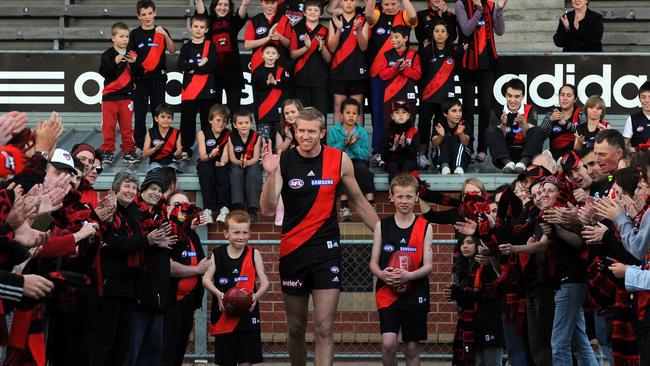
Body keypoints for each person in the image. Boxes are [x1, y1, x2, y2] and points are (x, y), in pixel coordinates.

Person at [260, 107, 379, 366]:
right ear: (294, 130)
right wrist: (270, 175)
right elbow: (268, 209)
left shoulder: (339, 160)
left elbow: (358, 202)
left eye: (311, 131)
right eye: (300, 130)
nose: (305, 136)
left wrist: (385, 235)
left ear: (322, 133)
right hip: (293, 253)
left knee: (324, 329)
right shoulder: (283, 161)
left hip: (326, 253)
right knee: (295, 328)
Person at [91, 170, 175, 366]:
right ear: (116, 188)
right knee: (105, 342)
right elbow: (113, 243)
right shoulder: (109, 209)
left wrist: (154, 243)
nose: (130, 190)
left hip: (130, 287)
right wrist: (148, 240)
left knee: (122, 344)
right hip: (110, 286)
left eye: (133, 187)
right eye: (126, 186)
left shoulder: (135, 214)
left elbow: (140, 244)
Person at [369, 174, 433, 366]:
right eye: (399, 196)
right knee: (388, 343)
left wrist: (408, 276)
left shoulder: (425, 226)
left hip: (415, 291)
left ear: (416, 198)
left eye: (408, 196)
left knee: (411, 347)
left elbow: (428, 265)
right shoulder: (382, 225)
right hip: (388, 292)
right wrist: (382, 274)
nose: (404, 201)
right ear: (391, 197)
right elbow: (373, 263)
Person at [203, 210, 269, 366]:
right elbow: (206, 280)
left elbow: (265, 282)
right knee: (226, 361)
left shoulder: (254, 254)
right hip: (225, 313)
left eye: (245, 232)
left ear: (250, 233)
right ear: (226, 234)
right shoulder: (217, 254)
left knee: (246, 361)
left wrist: (255, 296)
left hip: (248, 313)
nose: (241, 236)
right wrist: (220, 294)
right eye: (236, 232)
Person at [125, 169, 175, 366]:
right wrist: (151, 242)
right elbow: (130, 246)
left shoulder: (162, 216)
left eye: (159, 190)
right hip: (139, 293)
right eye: (152, 188)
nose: (156, 193)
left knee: (154, 348)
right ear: (143, 189)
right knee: (133, 348)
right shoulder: (133, 213)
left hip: (158, 293)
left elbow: (170, 244)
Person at [161, 191, 210, 366]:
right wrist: (196, 269)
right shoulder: (166, 231)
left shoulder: (191, 233)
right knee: (167, 353)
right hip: (170, 304)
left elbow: (202, 262)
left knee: (178, 353)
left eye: (186, 206)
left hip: (188, 304)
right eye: (177, 205)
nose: (182, 209)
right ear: (167, 209)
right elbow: (168, 266)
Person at [456, 0, 507, 162]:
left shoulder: (491, 5)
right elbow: (466, 29)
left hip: (487, 63)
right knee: (469, 108)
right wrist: (478, 10)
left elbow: (500, 31)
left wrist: (498, 10)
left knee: (486, 107)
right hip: (468, 63)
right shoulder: (461, 3)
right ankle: (468, 147)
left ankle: (482, 149)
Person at [365, 0, 417, 156]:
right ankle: (378, 150)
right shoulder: (377, 14)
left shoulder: (404, 14)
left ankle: (405, 149)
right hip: (378, 73)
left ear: (399, 4)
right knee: (379, 113)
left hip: (399, 75)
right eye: (386, 4)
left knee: (401, 113)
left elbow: (414, 17)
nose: (389, 7)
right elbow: (368, 15)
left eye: (393, 4)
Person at [447, 235, 503, 365]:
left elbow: (488, 294)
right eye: (462, 243)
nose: (465, 246)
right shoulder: (464, 269)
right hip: (470, 324)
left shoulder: (487, 265)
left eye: (470, 242)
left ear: (478, 244)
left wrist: (459, 293)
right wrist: (456, 294)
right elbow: (466, 298)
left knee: (491, 362)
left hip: (489, 322)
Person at [128, 0, 176, 154]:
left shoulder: (161, 30)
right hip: (140, 80)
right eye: (144, 14)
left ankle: (158, 143)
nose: (147, 17)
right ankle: (140, 145)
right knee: (140, 113)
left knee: (159, 113)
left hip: (158, 79)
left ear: (155, 13)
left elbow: (172, 50)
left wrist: (165, 36)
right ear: (138, 16)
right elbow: (130, 57)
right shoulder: (135, 34)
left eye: (150, 13)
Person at [418, 19, 463, 168]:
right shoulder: (425, 49)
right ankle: (422, 155)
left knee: (440, 126)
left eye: (443, 31)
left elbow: (459, 71)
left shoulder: (454, 50)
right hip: (428, 95)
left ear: (448, 34)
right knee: (424, 124)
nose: (439, 34)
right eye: (436, 31)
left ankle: (439, 155)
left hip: (446, 97)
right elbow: (422, 73)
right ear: (432, 33)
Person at [195, 0, 250, 113]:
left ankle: (235, 131)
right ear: (214, 7)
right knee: (215, 112)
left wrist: (245, 3)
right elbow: (200, 7)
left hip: (233, 73)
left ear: (230, 8)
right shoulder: (208, 22)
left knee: (235, 111)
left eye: (226, 5)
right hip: (214, 74)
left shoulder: (233, 22)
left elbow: (244, 6)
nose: (222, 7)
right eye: (219, 4)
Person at [327, 98, 375, 222]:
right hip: (340, 159)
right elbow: (330, 151)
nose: (351, 116)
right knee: (340, 173)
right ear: (342, 114)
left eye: (354, 113)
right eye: (348, 113)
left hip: (357, 160)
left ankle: (370, 202)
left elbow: (364, 155)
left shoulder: (361, 132)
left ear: (358, 116)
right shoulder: (334, 130)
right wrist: (344, 143)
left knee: (364, 170)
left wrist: (353, 145)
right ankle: (344, 207)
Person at [178, 14, 218, 159]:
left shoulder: (210, 45)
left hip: (207, 90)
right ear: (190, 28)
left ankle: (208, 147)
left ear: (206, 29)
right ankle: (186, 148)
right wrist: (199, 64)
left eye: (202, 27)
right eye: (196, 27)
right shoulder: (186, 47)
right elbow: (181, 65)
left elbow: (212, 65)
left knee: (207, 121)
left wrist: (194, 69)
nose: (198, 30)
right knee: (187, 121)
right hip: (189, 91)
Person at [98, 22, 139, 165]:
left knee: (127, 127)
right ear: (113, 38)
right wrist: (114, 63)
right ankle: (108, 151)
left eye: (127, 36)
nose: (125, 39)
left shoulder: (132, 54)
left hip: (127, 97)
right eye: (121, 36)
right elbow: (104, 72)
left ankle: (129, 151)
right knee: (108, 126)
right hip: (110, 97)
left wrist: (134, 63)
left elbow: (138, 74)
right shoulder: (108, 55)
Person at [485, 78, 544, 173]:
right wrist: (503, 125)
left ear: (523, 96)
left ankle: (522, 164)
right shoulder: (497, 110)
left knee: (538, 130)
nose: (512, 100)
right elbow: (496, 139)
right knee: (490, 130)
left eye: (517, 97)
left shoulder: (531, 109)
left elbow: (531, 136)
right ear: (505, 95)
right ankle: (508, 164)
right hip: (505, 154)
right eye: (509, 96)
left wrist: (523, 124)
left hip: (525, 153)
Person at [327, 0, 369, 125]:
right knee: (338, 107)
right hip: (339, 70)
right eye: (345, 0)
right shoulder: (334, 20)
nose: (349, 3)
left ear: (356, 3)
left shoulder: (363, 20)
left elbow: (364, 47)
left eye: (352, 0)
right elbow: (332, 48)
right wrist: (339, 30)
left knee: (357, 107)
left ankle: (358, 142)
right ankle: (337, 142)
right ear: (340, 3)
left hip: (357, 70)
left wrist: (359, 30)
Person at [289, 0, 331, 113]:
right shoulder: (297, 29)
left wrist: (322, 47)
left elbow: (328, 59)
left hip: (320, 79)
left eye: (316, 10)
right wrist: (306, 48)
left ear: (321, 14)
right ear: (304, 13)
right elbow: (292, 54)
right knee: (303, 114)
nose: (313, 12)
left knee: (320, 114)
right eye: (310, 10)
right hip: (301, 78)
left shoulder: (325, 31)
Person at [377, 25, 421, 128]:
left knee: (409, 126)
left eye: (396, 37)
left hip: (408, 96)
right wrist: (395, 68)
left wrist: (405, 69)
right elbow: (383, 75)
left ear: (405, 38)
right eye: (391, 37)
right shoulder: (386, 54)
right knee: (388, 127)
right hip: (390, 96)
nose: (393, 40)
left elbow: (417, 75)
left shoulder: (414, 54)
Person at [197, 104, 232, 223]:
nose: (221, 123)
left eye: (224, 121)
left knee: (223, 172)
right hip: (206, 161)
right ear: (210, 120)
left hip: (221, 162)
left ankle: (224, 208)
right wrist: (211, 155)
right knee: (206, 172)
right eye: (218, 120)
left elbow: (225, 155)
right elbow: (202, 156)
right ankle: (208, 209)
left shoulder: (229, 133)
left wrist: (222, 162)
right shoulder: (202, 133)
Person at [227, 108, 262, 221]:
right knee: (235, 172)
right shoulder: (231, 137)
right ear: (235, 124)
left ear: (251, 123)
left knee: (253, 173)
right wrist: (240, 162)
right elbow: (232, 158)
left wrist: (247, 163)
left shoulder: (257, 136)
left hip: (252, 163)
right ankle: (238, 206)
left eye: (247, 123)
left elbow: (256, 158)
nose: (244, 125)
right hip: (237, 163)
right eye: (240, 123)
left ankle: (252, 209)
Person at [251, 43, 291, 142]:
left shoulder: (281, 70)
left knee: (279, 139)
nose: (270, 55)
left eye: (273, 53)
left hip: (279, 112)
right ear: (262, 55)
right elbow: (256, 86)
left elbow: (287, 84)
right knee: (264, 140)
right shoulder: (257, 71)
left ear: (277, 56)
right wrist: (267, 83)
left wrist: (275, 82)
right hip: (263, 112)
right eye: (267, 53)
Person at [539, 84, 586, 159]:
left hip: (573, 155)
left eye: (569, 95)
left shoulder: (581, 114)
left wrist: (566, 124)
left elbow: (584, 134)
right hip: (554, 155)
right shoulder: (551, 114)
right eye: (562, 95)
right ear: (559, 97)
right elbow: (541, 135)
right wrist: (550, 120)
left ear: (575, 99)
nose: (565, 98)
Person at [243, 0, 290, 75]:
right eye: (267, 3)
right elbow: (247, 45)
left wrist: (280, 37)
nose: (269, 6)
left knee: (278, 86)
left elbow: (290, 45)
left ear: (277, 3)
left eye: (272, 3)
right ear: (261, 3)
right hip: (258, 64)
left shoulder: (285, 19)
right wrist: (267, 38)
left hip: (280, 64)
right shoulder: (254, 20)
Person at [380, 100, 419, 183]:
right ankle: (393, 193)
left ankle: (408, 193)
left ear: (408, 115)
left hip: (409, 161)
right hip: (393, 161)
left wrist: (405, 146)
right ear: (392, 116)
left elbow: (414, 154)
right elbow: (384, 157)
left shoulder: (414, 132)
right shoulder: (387, 133)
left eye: (404, 112)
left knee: (407, 165)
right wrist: (393, 147)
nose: (401, 115)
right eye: (397, 112)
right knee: (393, 166)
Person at [431, 99, 471, 174]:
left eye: (460, 110)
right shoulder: (440, 124)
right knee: (445, 137)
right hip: (440, 158)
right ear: (445, 114)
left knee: (456, 138)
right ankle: (445, 166)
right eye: (454, 111)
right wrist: (441, 136)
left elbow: (466, 143)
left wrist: (461, 133)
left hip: (462, 158)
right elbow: (433, 146)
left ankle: (459, 166)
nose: (458, 114)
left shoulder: (464, 124)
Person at [142, 104, 183, 173]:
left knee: (170, 172)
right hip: (155, 162)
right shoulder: (150, 132)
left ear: (172, 119)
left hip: (171, 162)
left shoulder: (176, 132)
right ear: (156, 119)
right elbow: (145, 154)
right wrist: (155, 148)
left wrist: (178, 154)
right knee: (156, 172)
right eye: (163, 117)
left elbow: (179, 157)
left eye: (169, 117)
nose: (166, 120)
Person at [623, 81, 650, 151]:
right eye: (643, 97)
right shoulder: (632, 119)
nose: (647, 100)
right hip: (638, 160)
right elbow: (623, 147)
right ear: (639, 99)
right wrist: (636, 149)